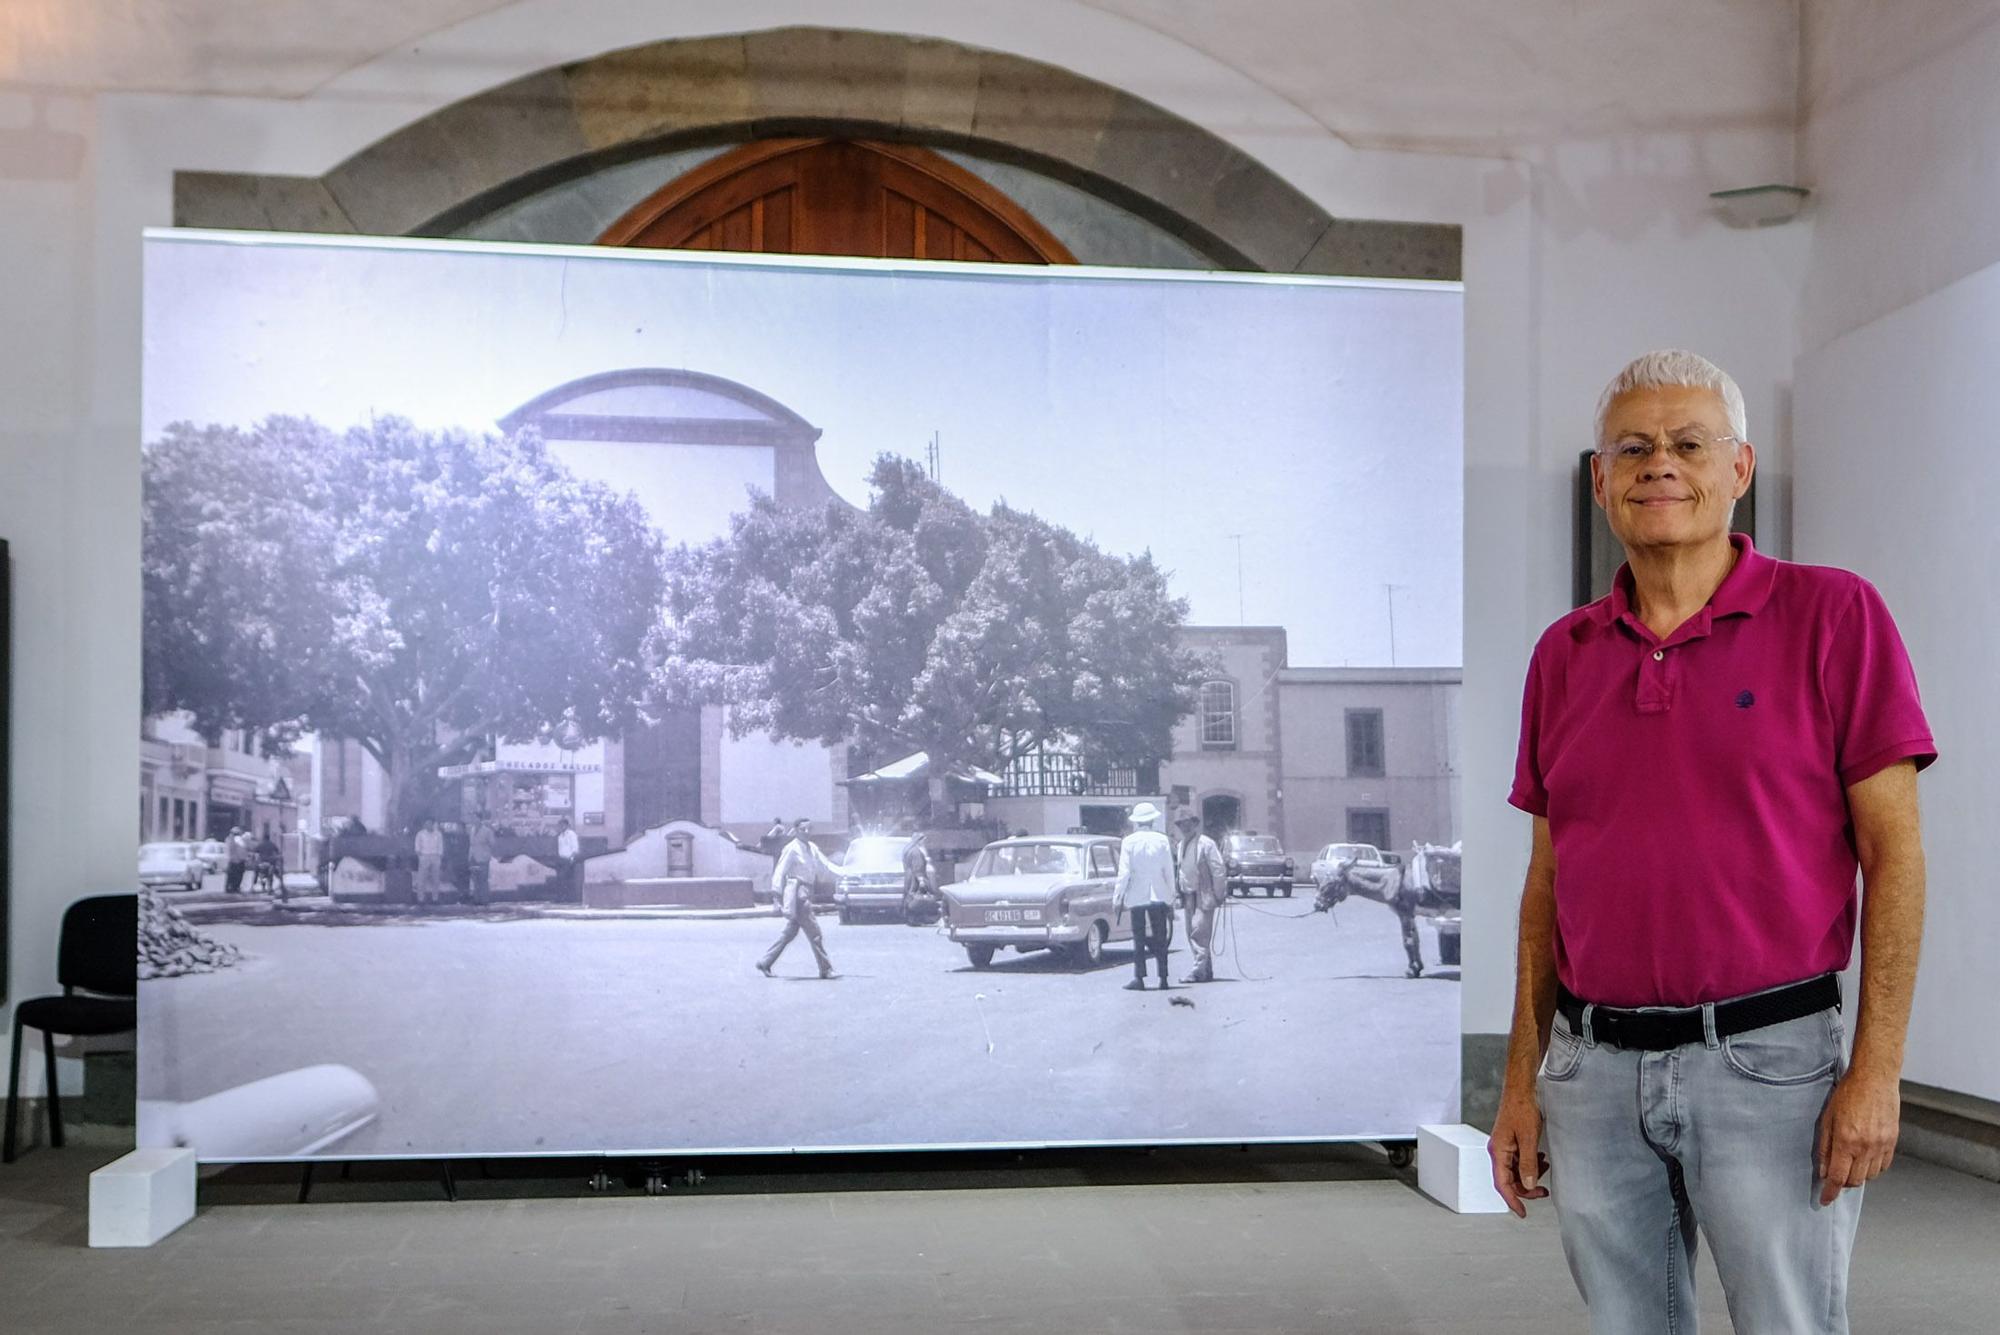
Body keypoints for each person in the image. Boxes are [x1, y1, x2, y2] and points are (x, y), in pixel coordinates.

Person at [1488, 350, 1934, 1334]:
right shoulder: (1560, 658)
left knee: (1787, 1323)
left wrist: (1874, 1074)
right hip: (1591, 1071)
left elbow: (1892, 860)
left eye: (1687, 444)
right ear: (1599, 479)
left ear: (1737, 470)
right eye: (1632, 448)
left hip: (1769, 1066)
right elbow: (1543, 890)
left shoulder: (1832, 615)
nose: (1659, 465)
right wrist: (1519, 1082)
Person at [758, 818, 840, 978]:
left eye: (810, 829)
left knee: (789, 932)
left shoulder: (812, 848)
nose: (807, 832)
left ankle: (765, 962)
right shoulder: (791, 849)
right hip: (798, 892)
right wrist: (776, 896)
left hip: (808, 891)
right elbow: (780, 871)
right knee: (814, 931)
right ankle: (826, 969)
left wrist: (847, 872)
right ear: (796, 830)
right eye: (803, 829)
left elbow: (826, 866)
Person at [1112, 802, 1176, 991]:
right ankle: (1163, 977)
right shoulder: (1162, 840)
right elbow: (1168, 871)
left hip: (1137, 895)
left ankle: (1139, 978)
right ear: (1152, 820)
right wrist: (1171, 897)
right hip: (1159, 893)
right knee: (1161, 936)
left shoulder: (1129, 842)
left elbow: (1124, 873)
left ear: (1137, 822)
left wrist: (1117, 898)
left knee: (1138, 938)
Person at [1174, 811, 1226, 983]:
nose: (1185, 827)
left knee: (1199, 933)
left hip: (1204, 894)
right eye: (1181, 824)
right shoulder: (1181, 844)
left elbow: (1218, 870)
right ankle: (1206, 971)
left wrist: (1219, 894)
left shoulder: (1206, 844)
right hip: (1188, 894)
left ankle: (1197, 971)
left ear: (1195, 824)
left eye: (1188, 823)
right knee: (1192, 933)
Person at [900, 830, 934, 923]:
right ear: (919, 840)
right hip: (915, 878)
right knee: (918, 897)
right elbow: (917, 866)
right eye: (923, 840)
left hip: (909, 876)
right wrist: (921, 879)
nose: (924, 842)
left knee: (910, 896)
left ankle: (909, 918)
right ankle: (917, 918)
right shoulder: (916, 852)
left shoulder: (908, 849)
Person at [413, 818, 445, 905]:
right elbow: (417, 846)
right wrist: (420, 856)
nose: (428, 825)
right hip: (424, 856)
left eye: (430, 823)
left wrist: (439, 856)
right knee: (422, 879)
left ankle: (435, 899)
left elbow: (441, 846)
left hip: (435, 857)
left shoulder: (438, 834)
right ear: (424, 824)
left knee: (436, 879)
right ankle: (421, 899)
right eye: (426, 823)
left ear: (432, 824)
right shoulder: (420, 834)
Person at [466, 813, 495, 905]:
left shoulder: (487, 831)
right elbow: (471, 844)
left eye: (475, 818)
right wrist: (470, 856)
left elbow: (492, 843)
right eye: (472, 818)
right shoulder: (472, 829)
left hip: (483, 858)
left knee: (483, 880)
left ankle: (485, 900)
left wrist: (486, 853)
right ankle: (476, 899)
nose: (473, 820)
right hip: (473, 857)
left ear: (479, 819)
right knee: (475, 880)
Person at [554, 817, 581, 901]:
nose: (560, 827)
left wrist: (571, 859)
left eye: (562, 825)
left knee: (565, 879)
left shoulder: (571, 834)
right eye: (559, 825)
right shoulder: (560, 836)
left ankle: (567, 898)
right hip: (561, 860)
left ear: (566, 825)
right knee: (560, 879)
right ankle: (562, 898)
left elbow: (575, 848)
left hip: (568, 860)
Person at [223, 826, 249, 895]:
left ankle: (230, 887)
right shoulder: (239, 840)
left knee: (231, 875)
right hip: (238, 860)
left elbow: (228, 851)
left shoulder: (229, 839)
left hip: (232, 860)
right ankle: (234, 887)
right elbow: (242, 850)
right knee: (237, 875)